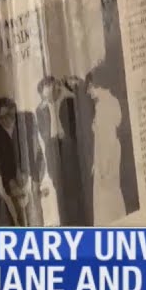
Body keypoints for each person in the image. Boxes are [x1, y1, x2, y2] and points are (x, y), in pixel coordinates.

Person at [36, 76, 85, 226]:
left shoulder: (69, 101)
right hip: (52, 148)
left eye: (53, 93)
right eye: (46, 97)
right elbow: (44, 135)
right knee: (59, 190)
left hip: (68, 147)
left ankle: (79, 222)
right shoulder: (40, 110)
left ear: (57, 88)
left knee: (73, 189)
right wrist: (48, 107)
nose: (51, 98)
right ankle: (66, 223)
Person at [85, 72, 127, 224]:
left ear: (98, 85)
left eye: (89, 87)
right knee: (111, 192)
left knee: (106, 195)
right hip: (108, 152)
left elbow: (107, 138)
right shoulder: (110, 101)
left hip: (107, 154)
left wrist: (103, 166)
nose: (88, 92)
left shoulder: (104, 105)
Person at [0, 97, 35, 226]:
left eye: (8, 115)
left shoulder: (25, 121)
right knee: (21, 215)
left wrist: (29, 175)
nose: (5, 120)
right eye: (0, 118)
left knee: (34, 213)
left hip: (29, 174)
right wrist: (10, 181)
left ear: (13, 110)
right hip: (11, 180)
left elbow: (34, 149)